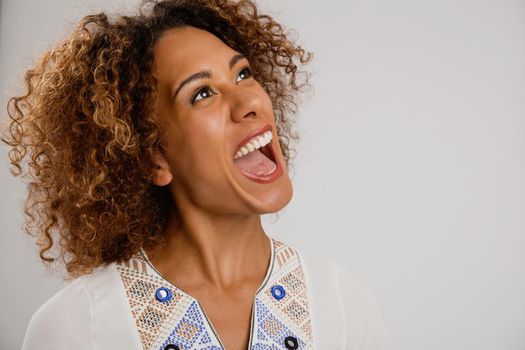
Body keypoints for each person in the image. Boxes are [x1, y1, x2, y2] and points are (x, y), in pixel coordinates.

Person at [2, 0, 388, 349]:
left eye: (243, 74)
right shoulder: (76, 327)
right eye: (202, 93)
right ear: (153, 158)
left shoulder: (342, 301)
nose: (250, 101)